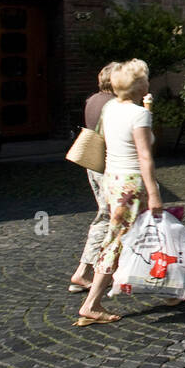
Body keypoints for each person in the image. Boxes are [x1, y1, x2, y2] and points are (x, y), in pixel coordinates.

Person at [76, 58, 164, 325]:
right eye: (145, 79)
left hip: (112, 179)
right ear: (139, 87)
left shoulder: (111, 108)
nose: (148, 82)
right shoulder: (139, 114)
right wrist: (154, 193)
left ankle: (167, 286)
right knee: (115, 242)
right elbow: (145, 155)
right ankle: (91, 303)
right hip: (130, 182)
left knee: (137, 235)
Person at [69, 63, 118, 293]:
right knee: (108, 217)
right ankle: (85, 270)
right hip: (110, 165)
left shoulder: (92, 100)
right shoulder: (113, 105)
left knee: (107, 215)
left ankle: (102, 269)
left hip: (94, 165)